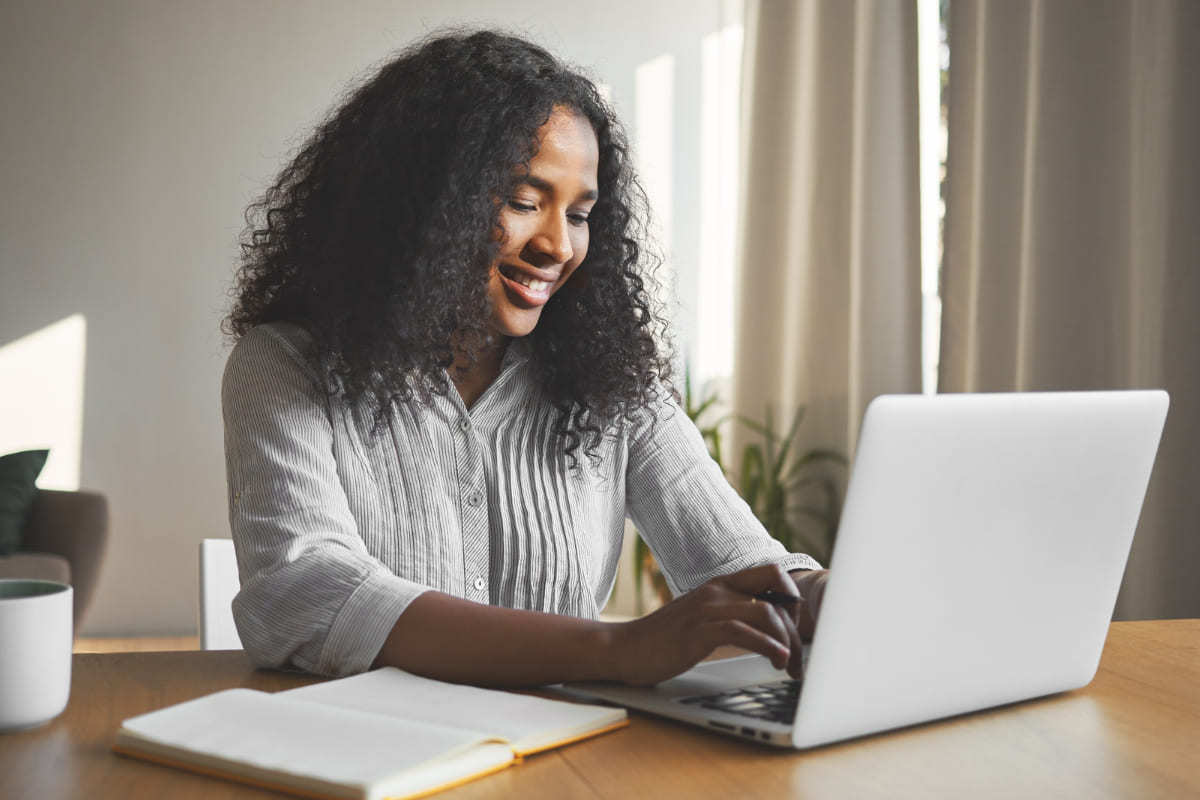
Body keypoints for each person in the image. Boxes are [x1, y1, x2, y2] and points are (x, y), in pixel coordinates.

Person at [222, 29, 828, 687]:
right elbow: (308, 593)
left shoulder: (612, 382)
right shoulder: (285, 365)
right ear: (421, 200)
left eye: (580, 214)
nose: (558, 246)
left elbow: (741, 565)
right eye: (524, 201)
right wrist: (614, 649)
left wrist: (829, 598)